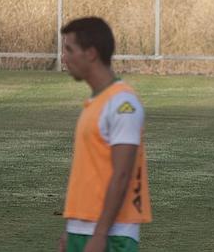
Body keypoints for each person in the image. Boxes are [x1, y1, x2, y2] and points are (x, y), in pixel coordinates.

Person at [58, 17, 152, 252]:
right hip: (81, 230)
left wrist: (100, 234)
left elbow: (122, 174)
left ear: (91, 53)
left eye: (69, 49)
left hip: (112, 236)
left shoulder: (122, 104)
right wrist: (70, 230)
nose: (64, 57)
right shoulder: (96, 101)